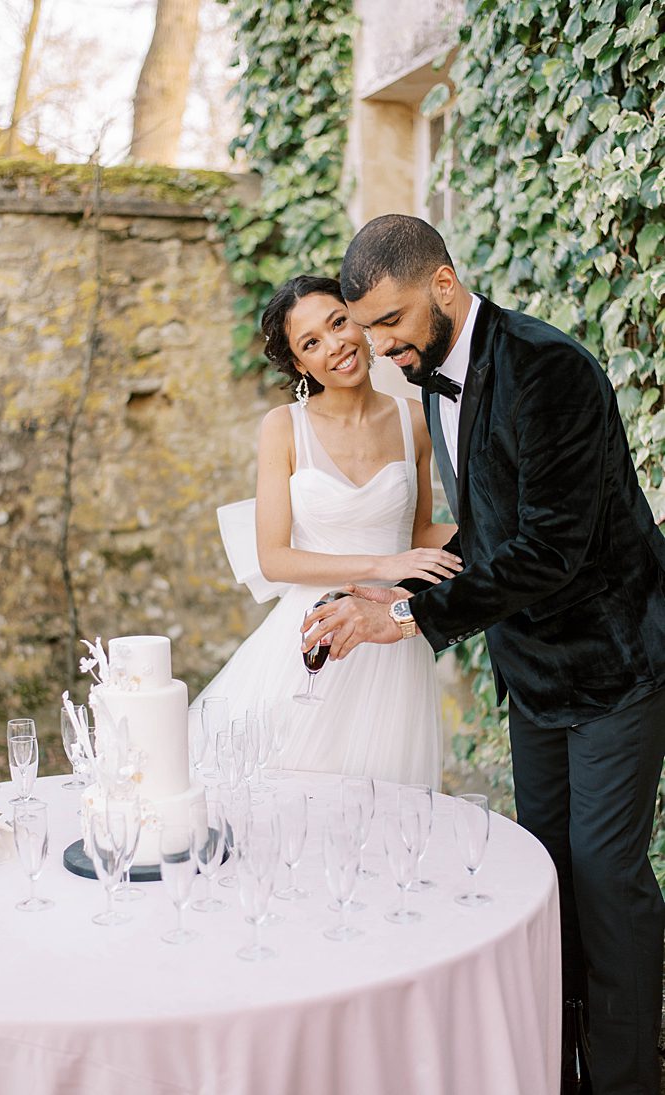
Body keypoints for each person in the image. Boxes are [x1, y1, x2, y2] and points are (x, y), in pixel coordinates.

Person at [304, 214, 665, 1095]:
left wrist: (413, 624)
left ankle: (627, 1080)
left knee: (607, 879)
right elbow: (490, 529)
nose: (382, 346)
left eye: (390, 322)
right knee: (545, 876)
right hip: (534, 672)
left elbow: (550, 546)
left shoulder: (552, 368)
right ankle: (560, 1071)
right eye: (367, 328)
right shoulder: (431, 376)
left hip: (617, 664)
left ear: (442, 284)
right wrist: (399, 589)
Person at [192, 274, 460, 787]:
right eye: (311, 343)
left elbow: (421, 531)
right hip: (312, 636)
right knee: (283, 801)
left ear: (359, 321)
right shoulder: (282, 427)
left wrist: (504, 532)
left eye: (339, 323)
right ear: (299, 363)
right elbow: (275, 558)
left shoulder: (416, 421)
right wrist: (383, 565)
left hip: (391, 640)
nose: (335, 346)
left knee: (383, 806)